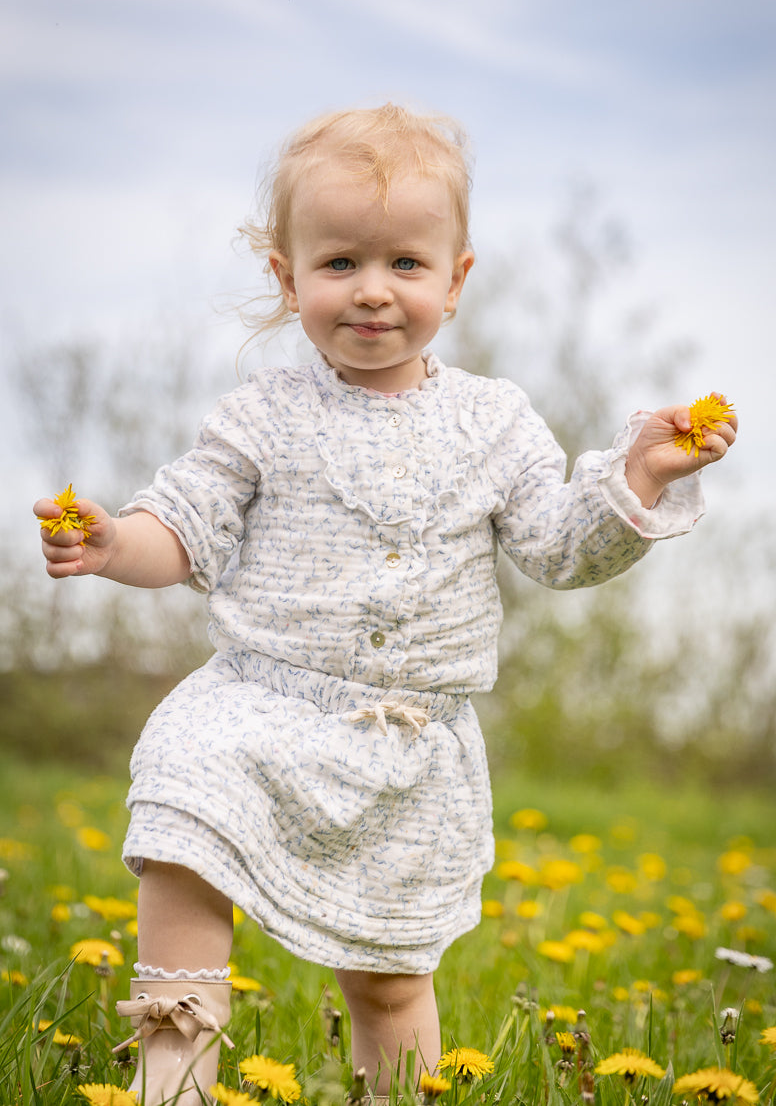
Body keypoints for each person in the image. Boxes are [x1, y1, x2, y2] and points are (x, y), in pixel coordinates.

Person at [34, 103, 737, 1105]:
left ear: (455, 280)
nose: (371, 291)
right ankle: (171, 1075)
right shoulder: (259, 417)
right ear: (287, 278)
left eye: (404, 264)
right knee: (179, 833)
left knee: (387, 977)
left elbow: (555, 548)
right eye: (337, 265)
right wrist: (114, 546)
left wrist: (636, 479)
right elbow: (183, 530)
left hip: (410, 748)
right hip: (255, 709)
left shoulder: (493, 421)